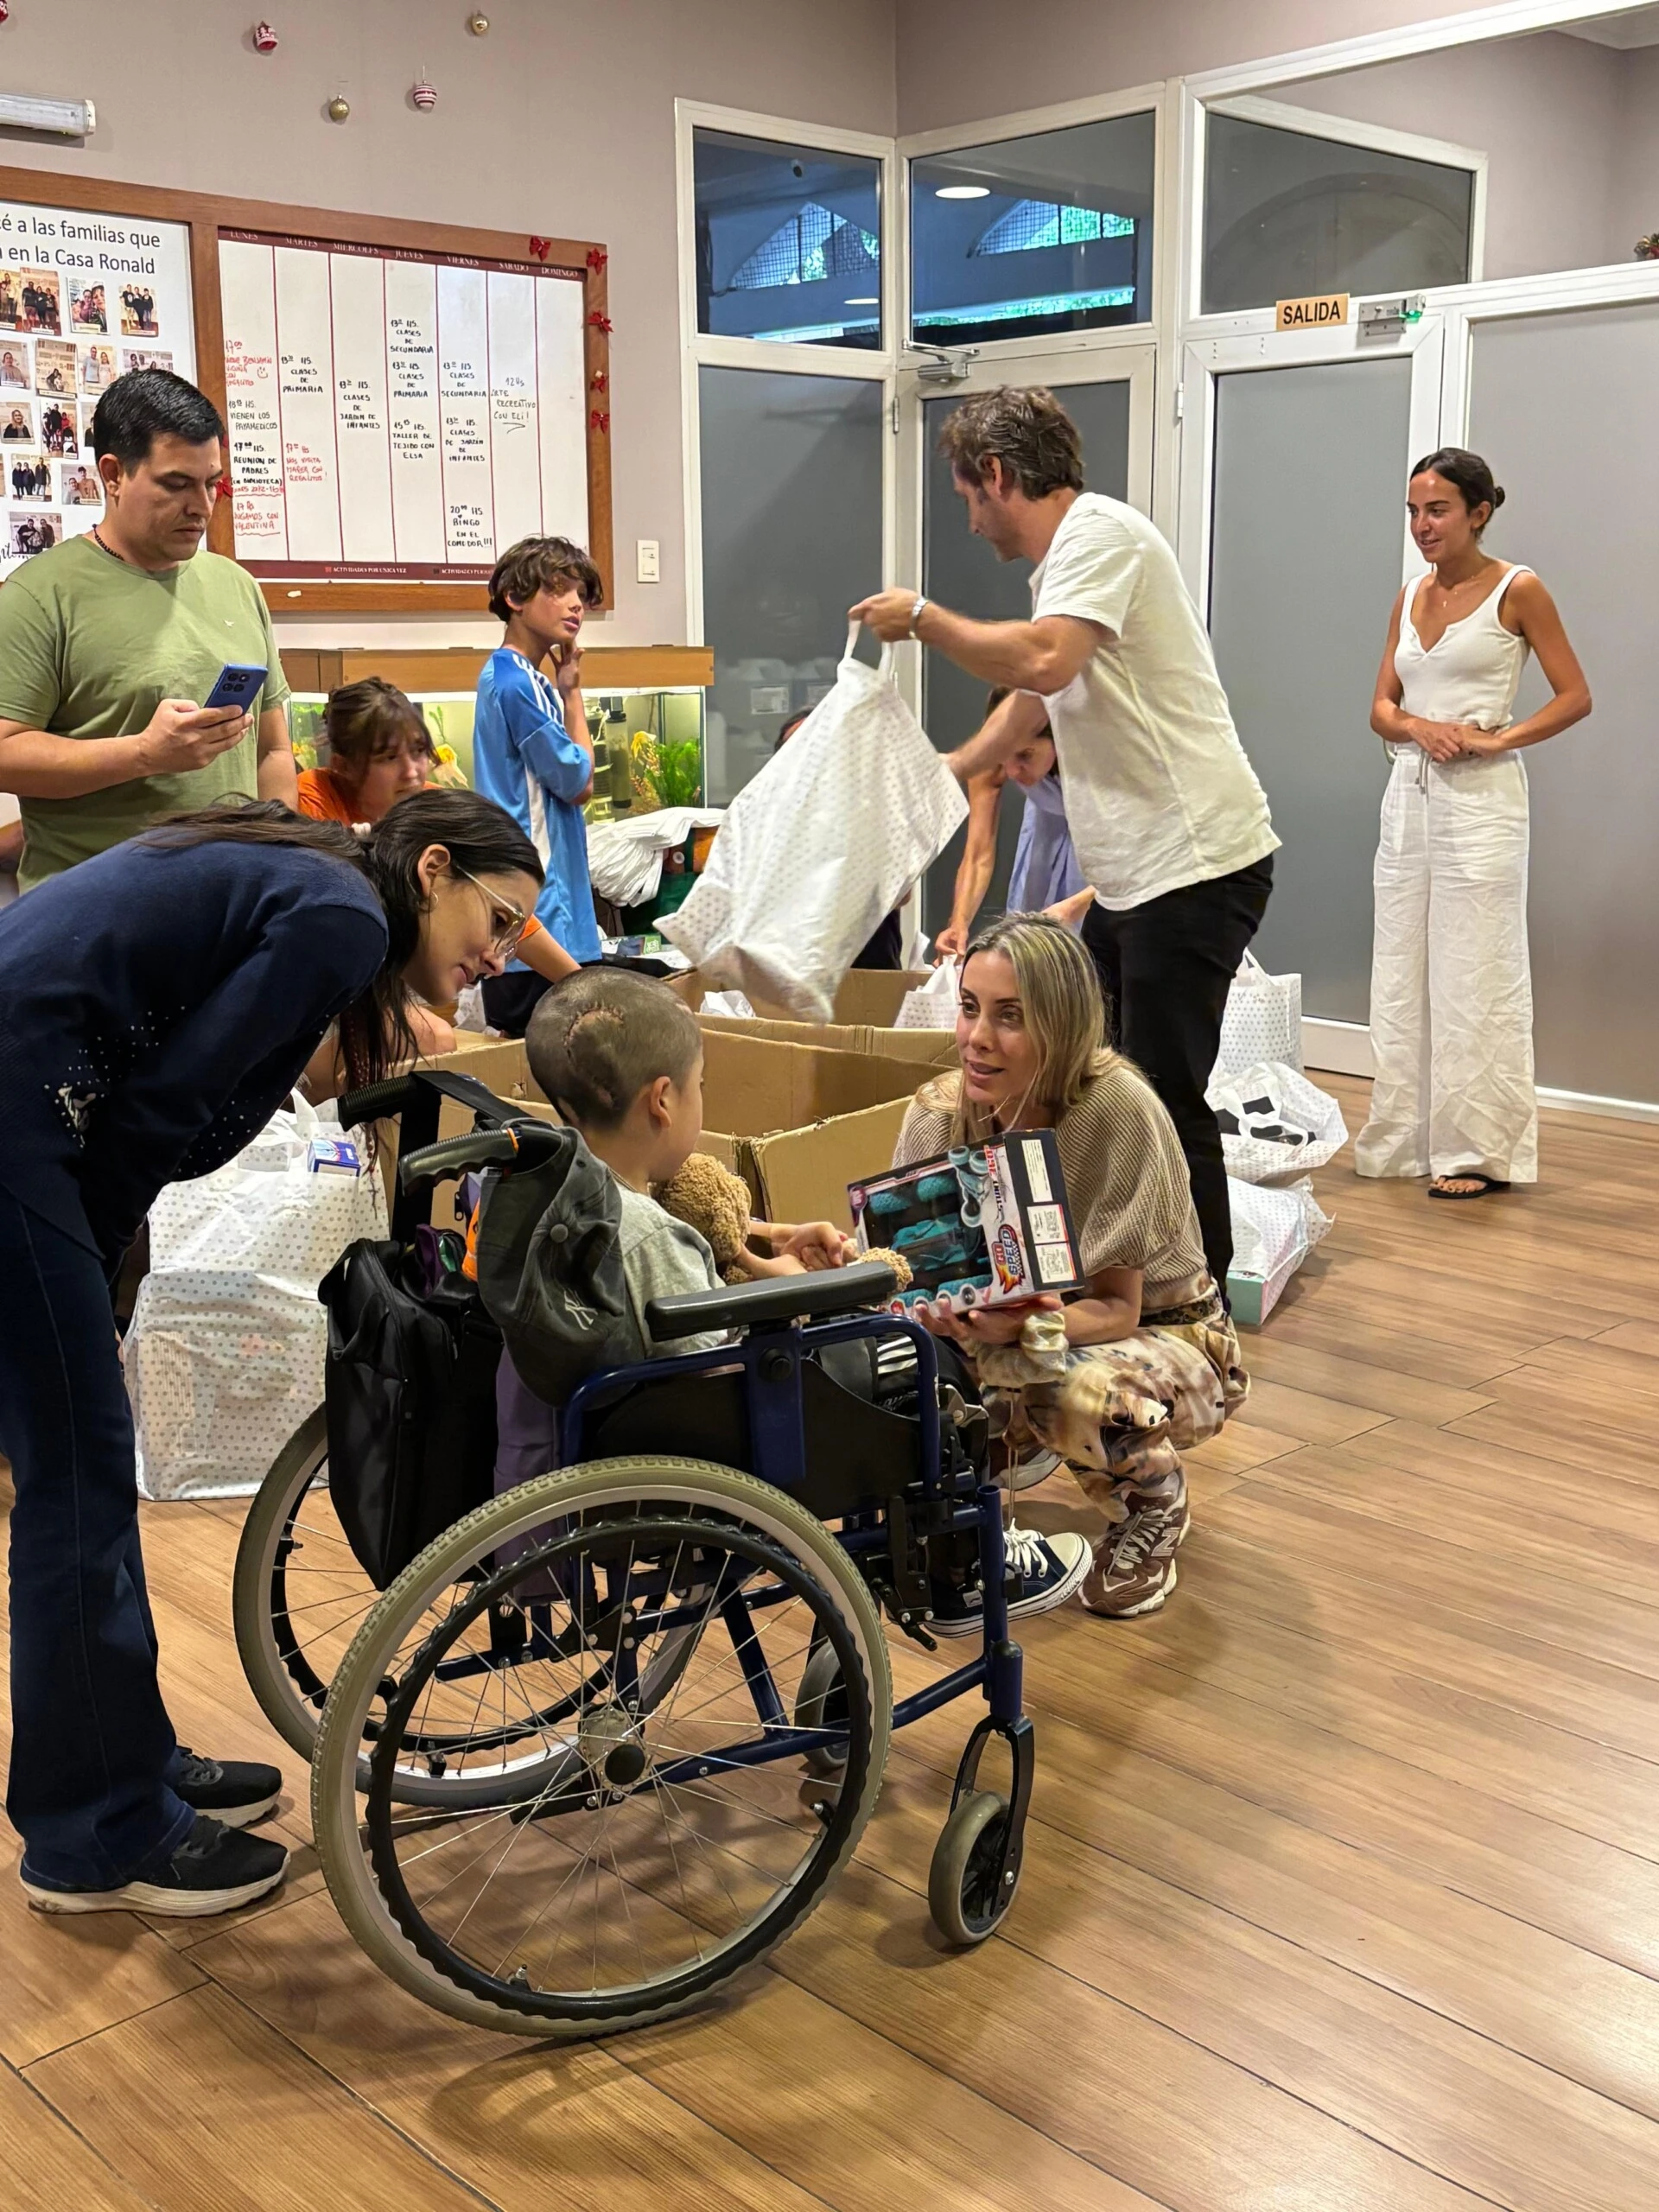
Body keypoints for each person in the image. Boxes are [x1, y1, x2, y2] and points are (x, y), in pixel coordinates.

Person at [0, 789, 544, 1917]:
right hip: (16, 1119)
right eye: (497, 920)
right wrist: (92, 1269)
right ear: (434, 869)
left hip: (32, 1106)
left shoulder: (305, 867)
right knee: (79, 1474)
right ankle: (94, 1837)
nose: (499, 954)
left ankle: (123, 1760)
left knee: (85, 1472)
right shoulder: (342, 914)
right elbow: (165, 1111)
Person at [853, 387, 1277, 1294]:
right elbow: (1044, 693)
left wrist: (924, 620)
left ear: (999, 476)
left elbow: (1043, 660)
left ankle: (1192, 1297)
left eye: (968, 496)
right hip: (1141, 879)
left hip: (1195, 865)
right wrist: (958, 765)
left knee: (1159, 1095)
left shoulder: (1101, 537)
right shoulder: (1067, 566)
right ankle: (1101, 1271)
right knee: (1095, 1079)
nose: (969, 522)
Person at [896, 914, 1248, 1621]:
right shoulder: (938, 1114)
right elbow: (911, 1276)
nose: (977, 1038)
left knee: (1047, 1376)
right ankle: (986, 1507)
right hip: (1025, 1323)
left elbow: (1118, 1309)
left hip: (1175, 1333)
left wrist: (1016, 1334)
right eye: (969, 1009)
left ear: (1061, 1025)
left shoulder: (1118, 1109)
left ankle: (1152, 1505)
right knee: (917, 1362)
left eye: (1010, 1018)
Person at [492, 966, 855, 1490]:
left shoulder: (545, 1193)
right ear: (662, 1100)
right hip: (678, 1459)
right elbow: (712, 1375)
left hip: (545, 1449)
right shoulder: (651, 1236)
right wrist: (793, 1284)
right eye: (699, 1084)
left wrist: (762, 1248)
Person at [1358, 448, 1590, 1199]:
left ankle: (1473, 1150)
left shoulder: (1518, 590)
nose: (1423, 526)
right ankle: (1405, 1136)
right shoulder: (1410, 595)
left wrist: (1497, 738)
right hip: (1409, 797)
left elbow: (1573, 695)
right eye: (1414, 512)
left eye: (1438, 510)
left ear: (1479, 512)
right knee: (1402, 965)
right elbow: (1381, 710)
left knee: (1475, 970)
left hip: (1482, 802)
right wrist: (1419, 727)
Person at [0, 369, 296, 888]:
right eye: (177, 484)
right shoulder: (37, 596)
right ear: (113, 475)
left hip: (230, 906)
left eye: (212, 484)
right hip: (92, 918)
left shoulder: (237, 586)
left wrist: (282, 858)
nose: (202, 507)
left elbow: (272, 750)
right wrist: (144, 754)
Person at [298, 676, 579, 1007]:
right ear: (342, 766)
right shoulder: (311, 800)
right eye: (388, 758)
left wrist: (583, 985)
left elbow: (509, 911)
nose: (413, 772)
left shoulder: (430, 802)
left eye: (419, 752)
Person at [472, 534, 605, 1035]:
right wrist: (574, 696)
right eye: (558, 589)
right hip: (543, 907)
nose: (576, 604)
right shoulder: (518, 682)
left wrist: (564, 685)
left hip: (533, 907)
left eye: (581, 594)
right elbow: (579, 782)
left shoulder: (515, 676)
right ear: (515, 597)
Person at [936, 686, 1087, 962]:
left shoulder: (1097, 753)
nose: (1013, 771)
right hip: (1046, 835)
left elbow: (1136, 862)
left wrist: (1074, 907)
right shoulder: (992, 753)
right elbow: (978, 854)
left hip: (1110, 843)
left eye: (1025, 755)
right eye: (1004, 756)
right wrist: (959, 922)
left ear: (1057, 735)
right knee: (1032, 960)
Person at [775, 706, 911, 969]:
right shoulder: (772, 823)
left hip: (869, 973)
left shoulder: (872, 808)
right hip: (797, 975)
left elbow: (900, 893)